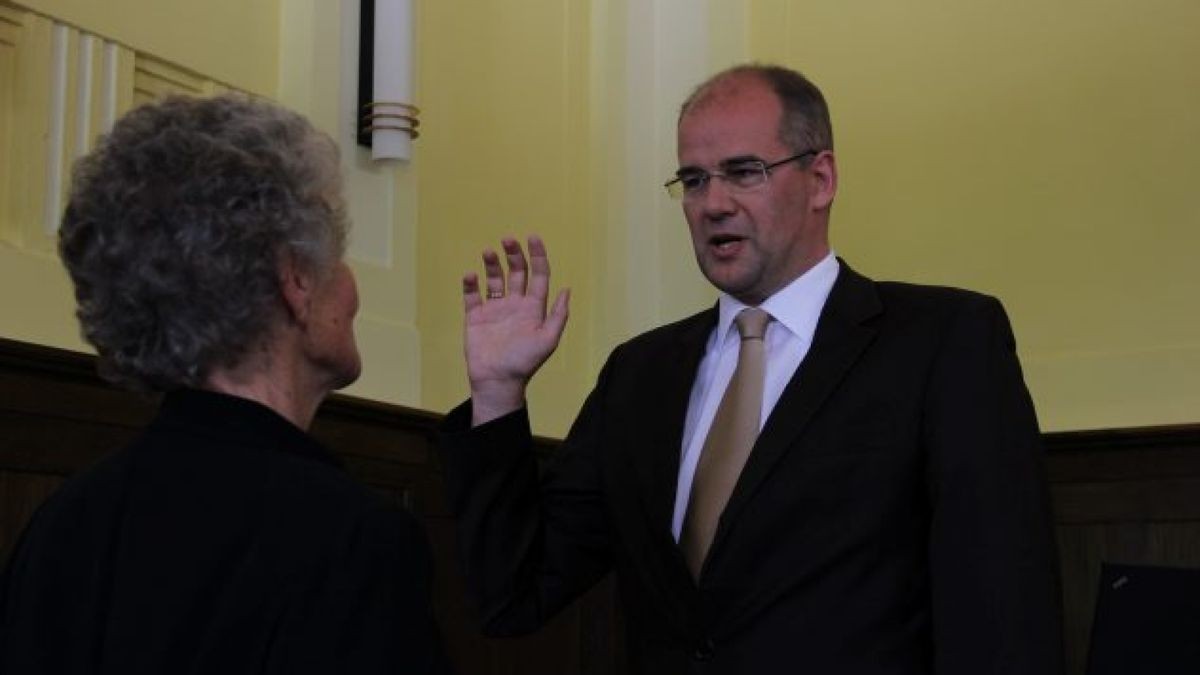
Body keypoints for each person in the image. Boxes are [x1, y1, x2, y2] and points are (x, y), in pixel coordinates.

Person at [439, 64, 1063, 673]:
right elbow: (514, 596)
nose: (712, 203)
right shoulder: (639, 374)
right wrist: (497, 394)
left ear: (821, 179)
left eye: (744, 172)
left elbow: (1003, 608)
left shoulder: (941, 341)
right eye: (692, 179)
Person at [0, 95, 448, 674]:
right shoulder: (351, 539)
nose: (351, 286)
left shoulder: (64, 521)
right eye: (338, 257)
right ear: (296, 281)